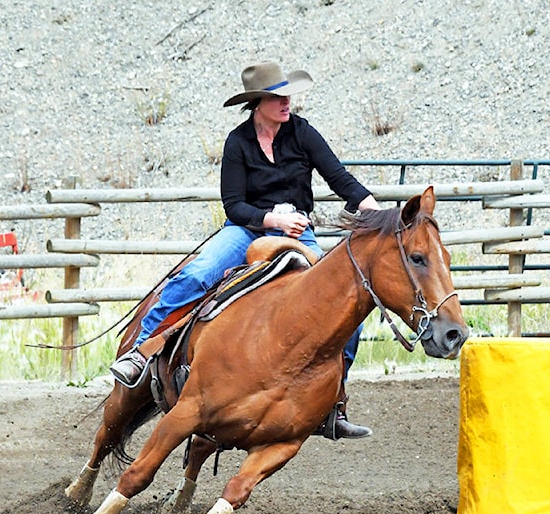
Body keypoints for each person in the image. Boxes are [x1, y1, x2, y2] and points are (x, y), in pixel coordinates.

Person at [110, 60, 380, 439]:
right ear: (258, 102)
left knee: (345, 301)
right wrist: (273, 220)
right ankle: (140, 352)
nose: (287, 102)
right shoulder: (238, 142)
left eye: (288, 95)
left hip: (297, 232)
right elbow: (233, 204)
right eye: (277, 97)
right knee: (198, 273)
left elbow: (340, 178)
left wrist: (374, 209)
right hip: (245, 229)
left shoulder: (302, 133)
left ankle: (333, 402)